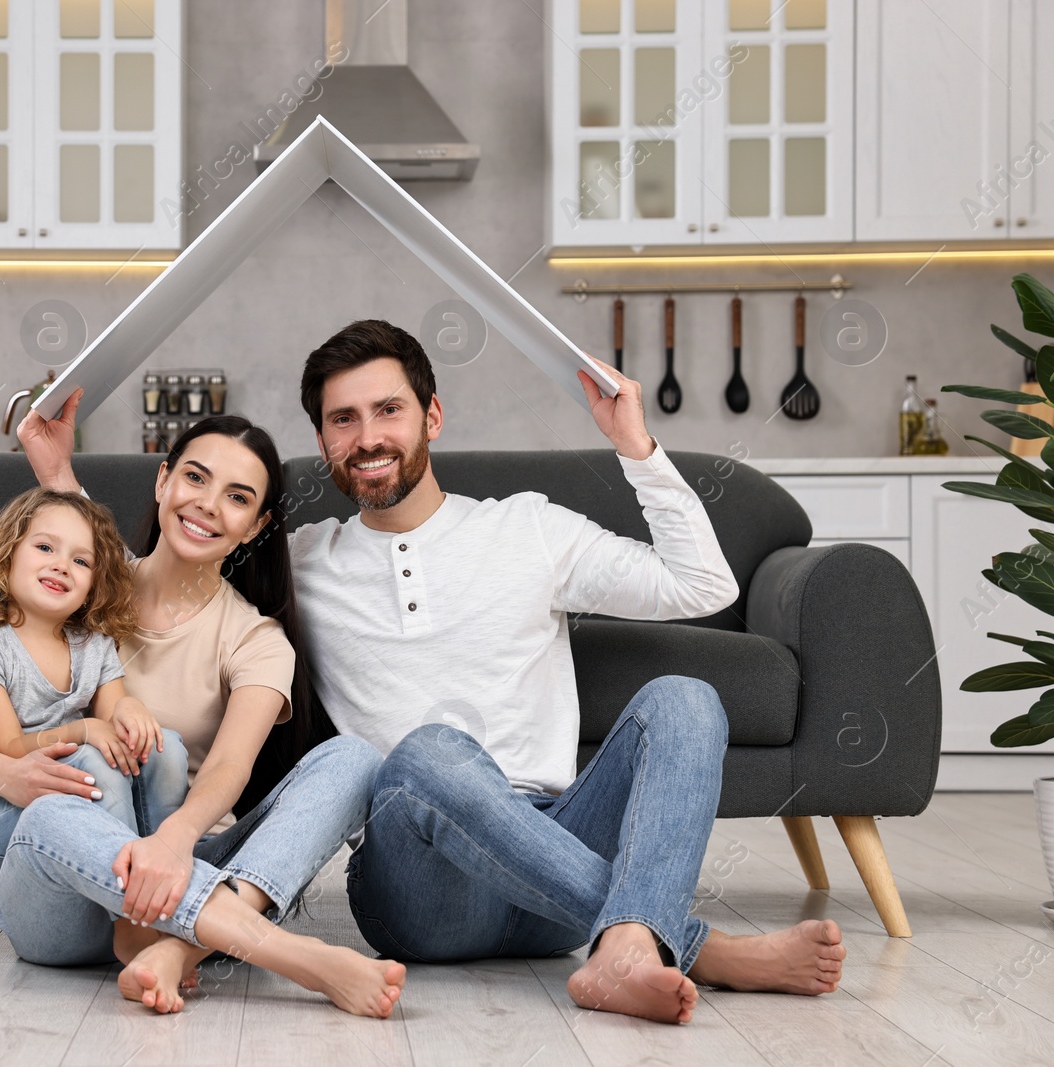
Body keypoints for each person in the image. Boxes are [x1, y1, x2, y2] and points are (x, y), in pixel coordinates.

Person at [290, 319, 847, 1025]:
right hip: (421, 890)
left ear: (432, 414)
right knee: (431, 749)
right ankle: (689, 946)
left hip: (555, 851)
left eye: (388, 409)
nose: (367, 436)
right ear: (323, 442)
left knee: (686, 700)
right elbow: (155, 588)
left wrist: (635, 447)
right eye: (344, 419)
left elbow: (702, 585)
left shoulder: (527, 528)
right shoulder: (299, 560)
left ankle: (624, 945)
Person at [0, 414, 404, 1019]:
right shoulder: (81, 588)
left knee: (352, 760)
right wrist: (8, 777)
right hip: (65, 890)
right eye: (195, 478)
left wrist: (173, 842)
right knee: (50, 814)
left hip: (179, 864)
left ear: (258, 526)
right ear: (163, 481)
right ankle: (289, 954)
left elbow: (228, 765)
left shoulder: (257, 639)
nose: (206, 505)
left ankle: (173, 950)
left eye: (237, 497)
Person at [0, 486, 190, 870]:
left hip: (69, 790)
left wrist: (129, 707)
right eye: (45, 548)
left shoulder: (93, 644)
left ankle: (165, 864)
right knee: (92, 763)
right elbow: (8, 747)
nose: (61, 565)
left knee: (164, 746)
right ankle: (126, 891)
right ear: (6, 556)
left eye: (80, 560)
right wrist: (81, 732)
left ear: (94, 586)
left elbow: (113, 720)